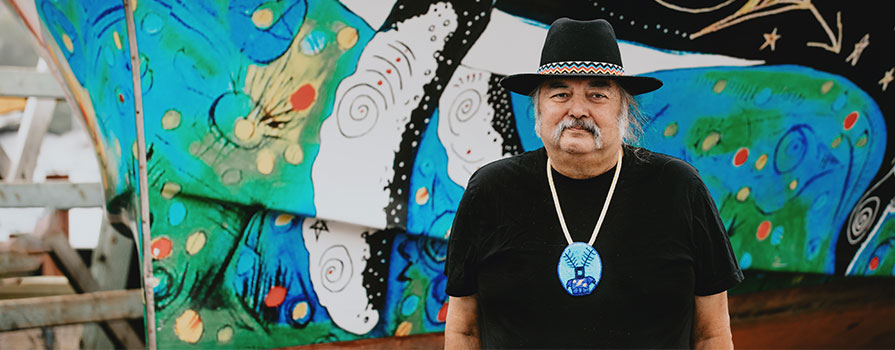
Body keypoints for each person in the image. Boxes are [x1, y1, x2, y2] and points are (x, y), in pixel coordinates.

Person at [443, 18, 743, 349]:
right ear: (538, 109)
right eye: (560, 94)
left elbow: (711, 334)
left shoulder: (679, 187)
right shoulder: (490, 190)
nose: (578, 110)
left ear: (623, 109)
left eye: (597, 94)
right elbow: (464, 330)